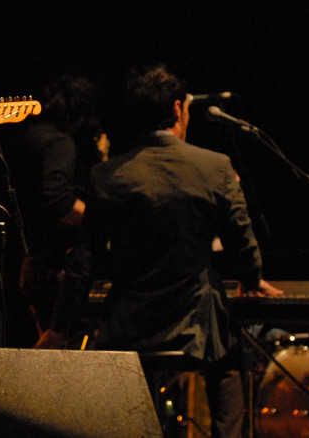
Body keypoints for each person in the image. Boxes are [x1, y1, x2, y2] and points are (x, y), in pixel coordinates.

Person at [86, 64, 280, 438]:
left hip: (130, 328)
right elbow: (241, 240)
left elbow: (88, 257)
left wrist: (62, 325)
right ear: (178, 109)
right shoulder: (215, 166)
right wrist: (252, 278)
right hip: (196, 327)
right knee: (230, 365)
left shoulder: (107, 176)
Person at [10, 74, 106, 349]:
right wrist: (99, 221)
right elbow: (57, 199)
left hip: (23, 256)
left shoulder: (29, 136)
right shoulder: (59, 143)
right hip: (50, 263)